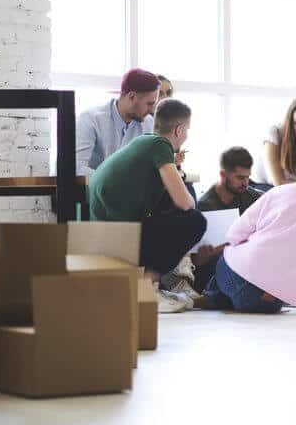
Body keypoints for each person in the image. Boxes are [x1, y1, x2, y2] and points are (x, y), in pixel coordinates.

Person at [203, 129, 296, 318]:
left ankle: (210, 296)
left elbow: (234, 233)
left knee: (226, 258)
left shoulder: (279, 192)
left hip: (239, 278)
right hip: (268, 302)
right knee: (246, 297)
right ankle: (218, 298)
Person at [89, 98, 207, 312]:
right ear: (179, 129)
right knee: (195, 220)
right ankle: (146, 287)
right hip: (119, 238)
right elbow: (184, 203)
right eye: (187, 130)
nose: (186, 136)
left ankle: (157, 283)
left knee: (170, 201)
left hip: (101, 234)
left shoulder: (143, 142)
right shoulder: (160, 145)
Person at [183, 147, 263, 293]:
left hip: (245, 264)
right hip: (214, 272)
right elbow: (196, 262)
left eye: (247, 177)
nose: (245, 183)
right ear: (223, 175)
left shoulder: (251, 197)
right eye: (240, 178)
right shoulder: (204, 206)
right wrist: (206, 256)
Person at [76, 68, 160, 176]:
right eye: (149, 104)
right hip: (93, 186)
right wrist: (116, 181)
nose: (152, 110)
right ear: (132, 97)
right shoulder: (90, 119)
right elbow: (76, 168)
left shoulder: (148, 123)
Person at [252, 95, 296, 189]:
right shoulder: (274, 133)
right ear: (290, 122)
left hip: (293, 190)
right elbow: (279, 182)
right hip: (263, 189)